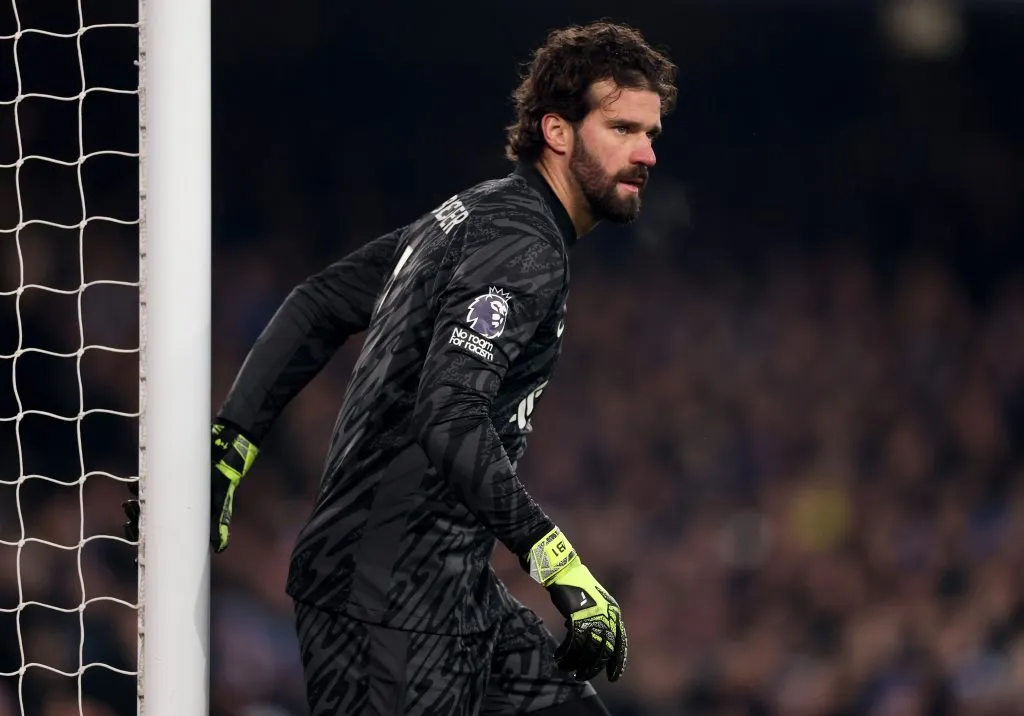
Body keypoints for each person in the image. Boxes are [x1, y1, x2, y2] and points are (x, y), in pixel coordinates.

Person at [125, 20, 676, 716]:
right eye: (624, 128)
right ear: (558, 132)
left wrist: (233, 442)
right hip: (385, 600)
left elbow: (318, 302)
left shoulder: (473, 215)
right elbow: (448, 415)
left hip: (453, 586)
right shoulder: (522, 246)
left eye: (651, 133)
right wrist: (558, 563)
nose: (647, 153)